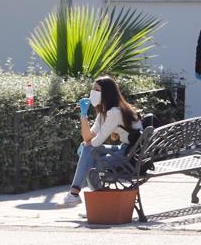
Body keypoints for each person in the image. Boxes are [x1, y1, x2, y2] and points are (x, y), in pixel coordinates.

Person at [61, 77, 142, 207]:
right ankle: (79, 196)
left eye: (97, 89)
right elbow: (88, 138)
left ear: (107, 93)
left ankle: (76, 194)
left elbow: (96, 142)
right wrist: (83, 115)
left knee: (89, 159)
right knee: (88, 152)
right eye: (93, 89)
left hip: (131, 156)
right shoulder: (105, 112)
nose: (93, 92)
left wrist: (87, 145)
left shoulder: (114, 112)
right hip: (126, 149)